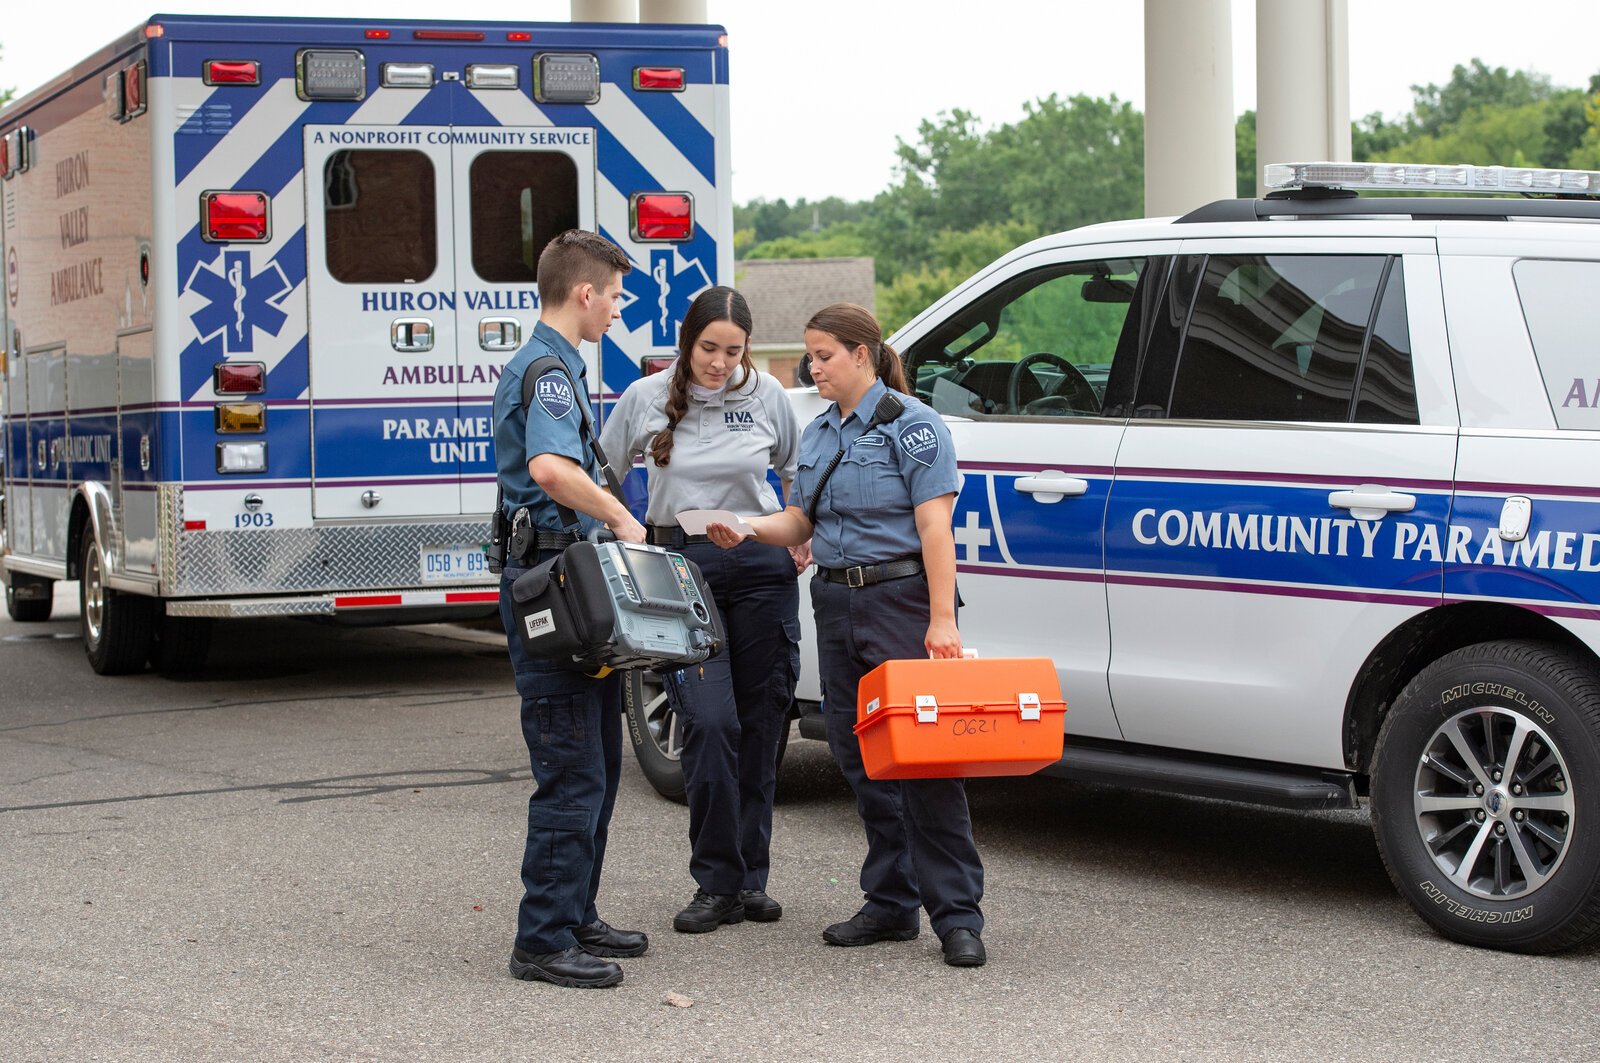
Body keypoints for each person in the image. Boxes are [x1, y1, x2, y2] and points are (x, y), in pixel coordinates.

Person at [705, 303, 987, 968]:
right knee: (860, 755)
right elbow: (799, 521)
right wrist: (747, 526)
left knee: (924, 761)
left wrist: (941, 620)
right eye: (810, 354)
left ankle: (957, 914)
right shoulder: (821, 431)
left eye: (825, 353)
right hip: (835, 599)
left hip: (900, 600)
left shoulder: (913, 427)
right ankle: (891, 901)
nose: (813, 366)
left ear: (862, 353)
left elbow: (934, 529)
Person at [599, 286, 802, 934]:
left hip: (760, 570)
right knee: (710, 722)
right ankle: (714, 881)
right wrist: (625, 529)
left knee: (763, 720)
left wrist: (794, 537)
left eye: (733, 350)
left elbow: (797, 473)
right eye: (708, 348)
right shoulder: (646, 397)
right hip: (680, 567)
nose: (719, 362)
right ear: (688, 342)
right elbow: (599, 469)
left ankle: (750, 880)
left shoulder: (769, 395)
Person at [492, 229, 649, 990]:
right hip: (551, 586)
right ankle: (543, 938)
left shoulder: (556, 367)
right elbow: (551, 468)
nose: (618, 309)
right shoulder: (549, 371)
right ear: (584, 292)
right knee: (572, 768)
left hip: (569, 584)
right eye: (615, 294)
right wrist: (621, 517)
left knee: (601, 761)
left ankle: (576, 911)